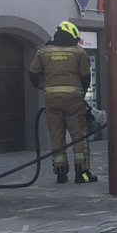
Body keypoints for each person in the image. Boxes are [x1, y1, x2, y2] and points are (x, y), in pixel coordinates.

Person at [29, 21, 98, 184]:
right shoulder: (78, 52)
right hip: (74, 100)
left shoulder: (43, 52)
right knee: (78, 135)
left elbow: (33, 73)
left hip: (52, 100)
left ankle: (61, 173)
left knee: (56, 135)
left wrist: (44, 87)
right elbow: (86, 77)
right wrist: (80, 94)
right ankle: (82, 173)